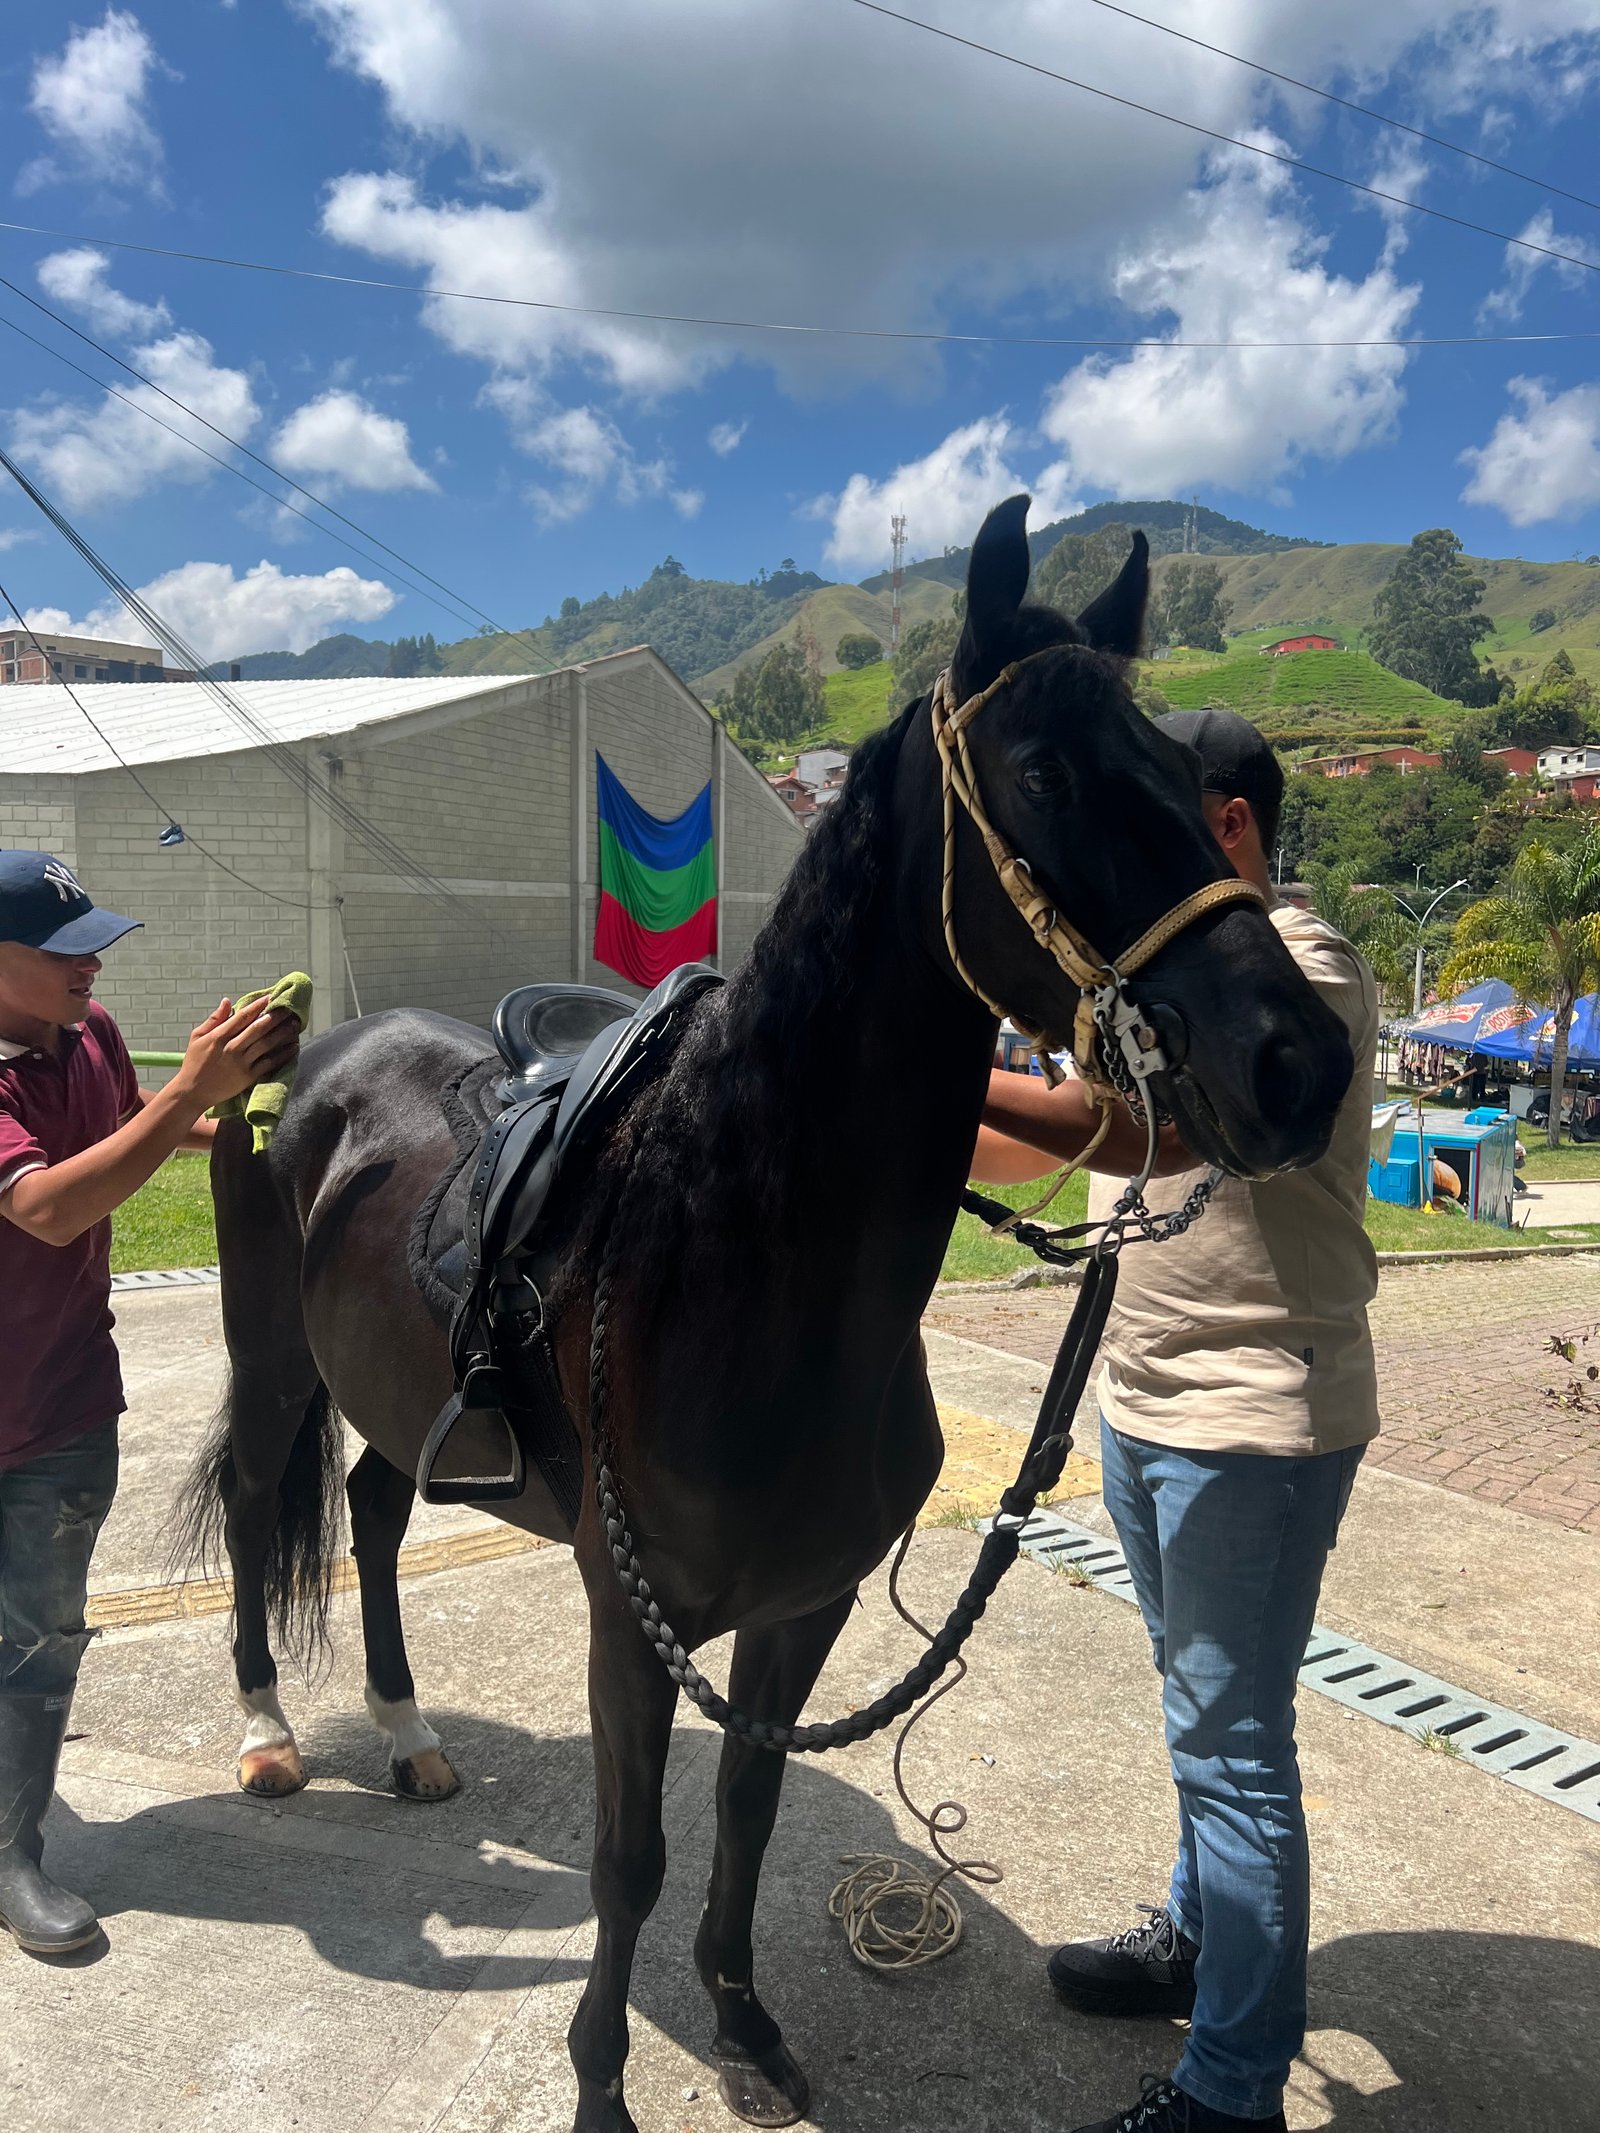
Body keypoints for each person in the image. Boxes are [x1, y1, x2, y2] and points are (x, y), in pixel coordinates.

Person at [973, 710, 1380, 2133]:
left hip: (1255, 1414)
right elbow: (1065, 1113)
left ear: (1224, 830)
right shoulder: (1172, 983)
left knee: (1232, 1744)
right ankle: (1198, 1943)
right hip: (1150, 1399)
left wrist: (943, 1078)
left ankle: (1231, 2088)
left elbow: (1153, 1131)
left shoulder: (1300, 974)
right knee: (1202, 1714)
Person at [0, 850, 298, 1956]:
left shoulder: (94, 1037)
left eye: (97, 944)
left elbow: (131, 1126)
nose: (92, 967)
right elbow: (46, 1207)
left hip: (64, 1398)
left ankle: (13, 1854)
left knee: (39, 1637)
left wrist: (273, 1125)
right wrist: (190, 1092)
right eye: (63, 950)